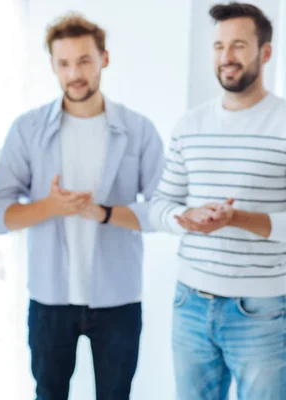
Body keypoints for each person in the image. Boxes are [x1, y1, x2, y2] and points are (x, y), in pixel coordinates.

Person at [0, 13, 165, 400]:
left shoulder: (139, 130)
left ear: (104, 58)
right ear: (52, 65)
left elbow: (160, 212)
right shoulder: (27, 129)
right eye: (64, 63)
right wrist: (51, 206)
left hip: (118, 299)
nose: (75, 73)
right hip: (50, 300)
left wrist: (102, 212)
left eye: (84, 60)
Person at [149, 3, 286, 399]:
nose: (226, 56)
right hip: (190, 302)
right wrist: (184, 216)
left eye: (238, 45)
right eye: (219, 45)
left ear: (265, 52)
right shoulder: (189, 126)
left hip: (262, 310)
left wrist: (239, 218)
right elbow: (160, 204)